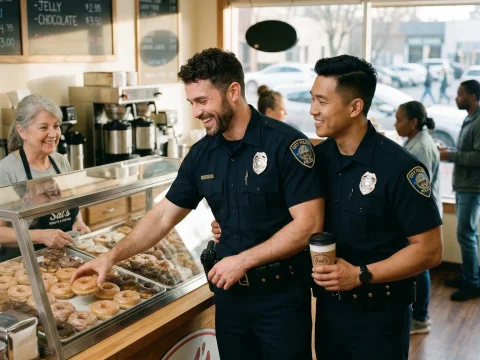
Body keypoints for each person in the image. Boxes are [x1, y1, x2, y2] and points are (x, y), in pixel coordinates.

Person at [72, 48, 324, 360]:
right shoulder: (202, 153)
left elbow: (309, 224)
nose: (196, 112)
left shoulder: (286, 144)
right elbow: (163, 216)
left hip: (280, 299)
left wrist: (243, 260)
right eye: (191, 102)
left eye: (202, 101)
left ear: (232, 92)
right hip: (230, 299)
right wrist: (110, 257)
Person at [310, 55, 443, 360]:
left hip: (380, 316)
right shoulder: (319, 160)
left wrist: (361, 274)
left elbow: (430, 250)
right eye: (312, 99)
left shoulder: (400, 168)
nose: (312, 110)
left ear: (355, 107)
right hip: (330, 311)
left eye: (321, 101)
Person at [0, 94, 90, 261]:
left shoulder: (60, 161)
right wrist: (40, 235)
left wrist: (78, 222)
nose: (53, 134)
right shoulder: (6, 171)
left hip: (63, 256)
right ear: (22, 131)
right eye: (43, 127)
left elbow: (71, 202)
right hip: (22, 262)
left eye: (56, 126)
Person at [394, 100, 442, 334]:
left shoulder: (421, 147)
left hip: (420, 220)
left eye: (399, 120)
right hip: (415, 219)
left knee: (420, 267)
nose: (395, 125)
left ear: (413, 122)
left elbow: (417, 192)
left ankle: (421, 317)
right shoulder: (414, 141)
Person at [440, 79, 480, 301]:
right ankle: (468, 276)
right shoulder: (470, 119)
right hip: (465, 185)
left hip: (472, 187)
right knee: (467, 233)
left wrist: (450, 156)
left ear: (473, 96)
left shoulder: (479, 120)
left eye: (460, 94)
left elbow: (478, 156)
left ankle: (472, 283)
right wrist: (452, 151)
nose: (456, 97)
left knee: (467, 234)